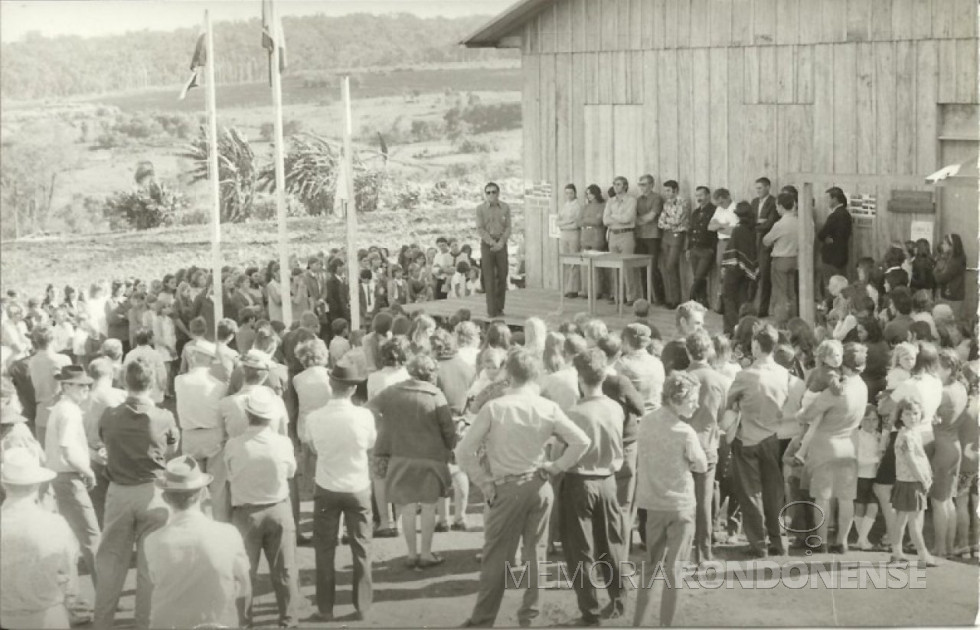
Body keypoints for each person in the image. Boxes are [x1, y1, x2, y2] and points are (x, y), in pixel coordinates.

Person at [456, 346, 590, 628]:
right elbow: (581, 441)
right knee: (535, 554)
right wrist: (556, 467)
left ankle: (482, 620)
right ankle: (530, 617)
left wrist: (484, 482)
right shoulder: (548, 407)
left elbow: (464, 451)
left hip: (506, 487)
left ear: (509, 375)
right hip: (539, 484)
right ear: (535, 375)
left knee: (496, 557)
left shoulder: (495, 408)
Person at [94, 358, 180, 630]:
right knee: (149, 568)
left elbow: (104, 439)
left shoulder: (109, 415)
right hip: (152, 493)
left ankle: (103, 624)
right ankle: (144, 625)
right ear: (151, 383)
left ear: (124, 382)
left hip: (119, 492)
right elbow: (172, 451)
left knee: (111, 564)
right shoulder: (164, 416)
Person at [633, 372, 707, 628]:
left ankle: (638, 623)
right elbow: (701, 465)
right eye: (693, 399)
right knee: (674, 570)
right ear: (678, 398)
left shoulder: (645, 422)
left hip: (652, 505)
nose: (696, 404)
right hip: (680, 507)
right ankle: (665, 625)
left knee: (650, 567)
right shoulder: (685, 432)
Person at [144, 456, 251, 629]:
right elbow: (245, 588)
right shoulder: (229, 534)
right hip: (219, 624)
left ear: (165, 498)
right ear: (203, 494)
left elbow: (158, 581)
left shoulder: (153, 541)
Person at [559, 349, 626, 624]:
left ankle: (590, 610)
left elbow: (564, 450)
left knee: (580, 549)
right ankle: (618, 599)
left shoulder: (574, 412)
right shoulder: (615, 407)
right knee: (611, 544)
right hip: (608, 482)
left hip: (580, 482)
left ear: (579, 378)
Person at [370, 354, 456, 568]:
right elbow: (448, 429)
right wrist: (451, 444)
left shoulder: (393, 391)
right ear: (431, 374)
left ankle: (411, 554)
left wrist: (386, 426)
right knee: (428, 507)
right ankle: (426, 553)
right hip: (431, 458)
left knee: (407, 507)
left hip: (401, 456)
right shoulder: (436, 395)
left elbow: (369, 408)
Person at [225, 387, 301, 627]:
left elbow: (229, 476)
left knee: (244, 573)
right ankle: (289, 619)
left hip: (245, 514)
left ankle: (244, 622)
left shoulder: (233, 444)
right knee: (285, 570)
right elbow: (290, 472)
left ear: (248, 414)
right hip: (278, 508)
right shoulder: (282, 443)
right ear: (270, 416)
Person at [306, 362, 375, 622]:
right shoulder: (365, 417)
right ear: (352, 388)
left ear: (330, 385)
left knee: (324, 548)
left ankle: (325, 608)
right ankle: (363, 606)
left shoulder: (314, 417)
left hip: (327, 486)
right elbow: (370, 444)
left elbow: (312, 447)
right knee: (362, 546)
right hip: (357, 486)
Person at [724, 323, 789, 557]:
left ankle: (758, 543)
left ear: (756, 345)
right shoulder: (784, 374)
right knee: (773, 492)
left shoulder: (746, 375)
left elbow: (728, 402)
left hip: (747, 438)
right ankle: (778, 541)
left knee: (751, 492)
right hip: (772, 437)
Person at [798, 343, 868, 553]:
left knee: (823, 496)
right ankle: (842, 541)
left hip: (825, 444)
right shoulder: (862, 387)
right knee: (847, 497)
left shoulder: (836, 390)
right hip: (850, 443)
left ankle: (822, 541)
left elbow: (807, 414)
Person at [1, 448, 80, 629]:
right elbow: (68, 571)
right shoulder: (54, 523)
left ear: (4, 485)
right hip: (48, 617)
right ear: (37, 485)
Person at [45, 365, 100, 591]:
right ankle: (106, 596)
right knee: (92, 539)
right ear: (66, 386)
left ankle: (73, 597)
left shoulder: (63, 407)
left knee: (73, 541)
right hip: (69, 478)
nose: (86, 389)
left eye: (87, 385)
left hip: (63, 477)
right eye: (80, 385)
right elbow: (67, 450)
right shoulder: (69, 411)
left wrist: (93, 456)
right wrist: (89, 471)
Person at [684, 329, 728, 563]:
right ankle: (703, 551)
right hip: (708, 443)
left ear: (688, 351)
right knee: (704, 500)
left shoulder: (680, 377)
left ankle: (680, 549)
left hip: (682, 444)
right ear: (708, 351)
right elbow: (723, 414)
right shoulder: (719, 380)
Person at [888, 397, 940, 567]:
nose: (912, 417)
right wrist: (923, 479)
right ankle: (923, 555)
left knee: (902, 519)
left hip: (909, 481)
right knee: (915, 521)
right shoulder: (906, 435)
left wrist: (928, 474)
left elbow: (921, 457)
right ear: (900, 416)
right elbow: (911, 460)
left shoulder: (913, 433)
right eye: (908, 414)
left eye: (915, 413)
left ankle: (896, 552)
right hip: (910, 483)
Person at [930, 349, 968, 558]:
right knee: (949, 500)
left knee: (938, 501)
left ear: (947, 369)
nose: (934, 372)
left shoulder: (942, 393)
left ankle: (940, 547)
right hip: (955, 446)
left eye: (937, 367)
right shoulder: (961, 387)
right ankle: (950, 547)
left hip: (942, 448)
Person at [27, 324, 72, 445]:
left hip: (41, 411)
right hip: (60, 410)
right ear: (53, 339)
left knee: (45, 454)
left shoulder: (31, 361)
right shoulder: (64, 359)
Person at [720, 202, 758, 335]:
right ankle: (743, 328)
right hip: (746, 269)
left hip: (734, 268)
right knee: (742, 298)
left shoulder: (738, 229)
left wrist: (725, 266)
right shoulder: (752, 228)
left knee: (728, 298)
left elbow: (732, 249)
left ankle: (731, 329)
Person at [475, 181, 512, 317]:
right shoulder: (480, 209)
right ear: (485, 194)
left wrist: (501, 242)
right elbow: (480, 229)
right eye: (488, 192)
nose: (491, 195)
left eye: (493, 192)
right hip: (487, 244)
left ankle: (499, 307)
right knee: (489, 277)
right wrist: (491, 243)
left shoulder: (505, 208)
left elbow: (508, 227)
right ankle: (491, 310)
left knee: (502, 275)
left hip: (501, 242)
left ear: (498, 193)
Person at [762, 191, 800, 319]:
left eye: (777, 206)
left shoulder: (780, 224)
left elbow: (766, 241)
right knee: (792, 293)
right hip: (795, 259)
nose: (777, 209)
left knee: (780, 294)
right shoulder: (800, 222)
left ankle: (781, 322)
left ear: (782, 207)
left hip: (780, 259)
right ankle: (793, 319)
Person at [603, 176, 639, 305]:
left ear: (625, 186)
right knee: (614, 267)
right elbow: (605, 220)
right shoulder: (610, 201)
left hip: (626, 235)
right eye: (614, 184)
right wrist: (617, 218)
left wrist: (613, 216)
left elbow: (628, 218)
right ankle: (618, 295)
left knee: (627, 267)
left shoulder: (631, 200)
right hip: (613, 235)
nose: (615, 186)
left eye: (618, 184)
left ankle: (631, 297)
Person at [658, 180, 690, 310]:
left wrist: (667, 221)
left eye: (668, 190)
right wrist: (668, 223)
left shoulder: (683, 202)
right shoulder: (666, 203)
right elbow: (660, 222)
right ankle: (670, 298)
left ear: (675, 190)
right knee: (667, 267)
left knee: (671, 265)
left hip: (677, 235)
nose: (666, 193)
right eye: (665, 190)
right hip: (667, 235)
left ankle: (676, 299)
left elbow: (677, 220)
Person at [817, 187, 853, 300]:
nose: (827, 201)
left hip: (831, 258)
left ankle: (830, 311)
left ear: (835, 199)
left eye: (828, 198)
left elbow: (821, 234)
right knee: (841, 286)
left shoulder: (835, 216)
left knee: (830, 288)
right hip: (841, 257)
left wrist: (828, 239)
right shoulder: (846, 214)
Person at [635, 174, 666, 304]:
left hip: (653, 236)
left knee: (653, 268)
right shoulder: (638, 199)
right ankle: (646, 298)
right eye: (640, 184)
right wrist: (638, 221)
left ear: (651, 185)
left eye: (644, 184)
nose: (641, 187)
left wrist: (637, 221)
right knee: (642, 268)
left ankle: (659, 298)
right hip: (640, 236)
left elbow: (651, 217)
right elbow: (635, 216)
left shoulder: (657, 198)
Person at [708, 188, 738, 313]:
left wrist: (719, 226)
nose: (720, 205)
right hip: (721, 243)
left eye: (721, 202)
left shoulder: (735, 208)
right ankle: (721, 304)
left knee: (730, 272)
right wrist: (723, 226)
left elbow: (734, 230)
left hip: (731, 242)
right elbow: (710, 227)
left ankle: (730, 304)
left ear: (725, 198)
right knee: (721, 272)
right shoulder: (719, 209)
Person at [687, 186, 717, 308]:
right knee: (699, 277)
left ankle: (691, 298)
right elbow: (691, 231)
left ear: (708, 196)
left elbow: (716, 232)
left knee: (699, 277)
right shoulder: (695, 212)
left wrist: (712, 249)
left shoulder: (714, 211)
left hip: (706, 249)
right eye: (697, 195)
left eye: (701, 195)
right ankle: (703, 301)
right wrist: (688, 248)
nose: (699, 198)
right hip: (695, 248)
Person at [751, 177, 777, 317]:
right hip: (753, 243)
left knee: (765, 278)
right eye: (756, 188)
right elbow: (749, 220)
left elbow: (770, 223)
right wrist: (758, 222)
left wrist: (756, 225)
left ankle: (763, 309)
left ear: (768, 187)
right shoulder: (754, 202)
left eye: (760, 188)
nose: (758, 191)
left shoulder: (773, 202)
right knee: (751, 276)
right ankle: (750, 307)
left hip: (766, 245)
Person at [580, 184, 609, 299]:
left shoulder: (603, 205)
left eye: (591, 193)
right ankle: (586, 290)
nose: (589, 196)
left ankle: (596, 291)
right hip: (585, 235)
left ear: (596, 193)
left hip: (597, 235)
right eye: (587, 194)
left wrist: (586, 220)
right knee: (584, 264)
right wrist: (589, 221)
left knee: (595, 265)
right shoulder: (585, 207)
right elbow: (579, 221)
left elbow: (599, 221)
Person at [558, 183, 584, 298]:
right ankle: (566, 287)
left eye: (571, 193)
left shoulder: (578, 205)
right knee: (566, 260)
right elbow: (557, 222)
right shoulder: (564, 205)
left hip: (574, 234)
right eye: (567, 193)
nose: (569, 195)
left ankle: (573, 289)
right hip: (564, 234)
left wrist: (565, 224)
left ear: (575, 193)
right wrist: (565, 223)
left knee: (574, 260)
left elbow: (576, 223)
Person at [933, 233, 967, 318]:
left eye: (944, 243)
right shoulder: (952, 258)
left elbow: (941, 278)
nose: (942, 245)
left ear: (952, 246)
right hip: (950, 295)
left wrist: (935, 270)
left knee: (950, 323)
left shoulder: (955, 261)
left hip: (952, 298)